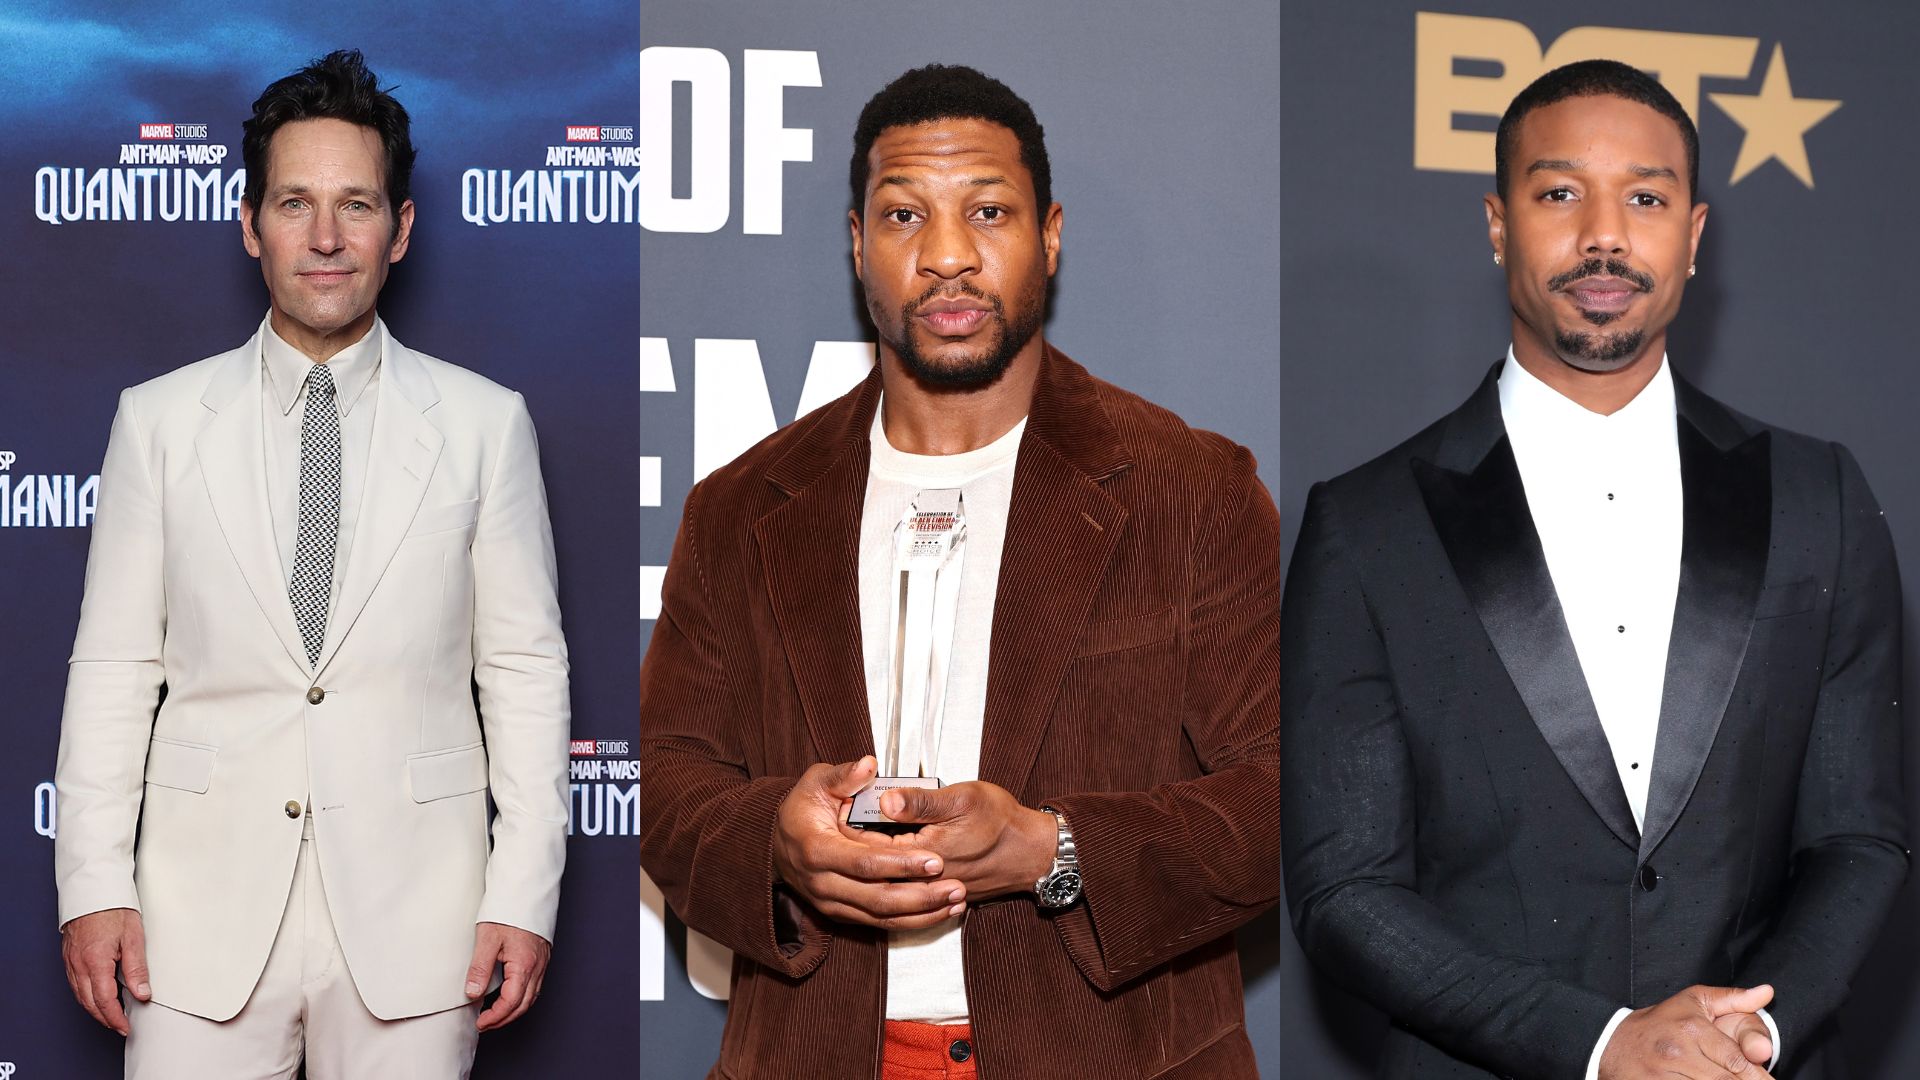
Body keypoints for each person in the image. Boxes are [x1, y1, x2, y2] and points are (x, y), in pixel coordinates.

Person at [640, 64, 1278, 1078]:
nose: (946, 256)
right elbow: (669, 787)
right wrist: (776, 842)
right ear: (858, 245)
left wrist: (1050, 849)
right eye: (903, 216)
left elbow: (1279, 805)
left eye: (987, 211)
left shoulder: (1189, 488)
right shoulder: (740, 508)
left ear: (1050, 234)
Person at [1282, 59, 1906, 1080]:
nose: (1604, 234)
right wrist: (1602, 1044)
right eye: (1560, 193)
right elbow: (1344, 892)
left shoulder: (1820, 498)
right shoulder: (1366, 525)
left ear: (1695, 236)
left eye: (1647, 198)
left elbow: (1861, 839)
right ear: (1497, 224)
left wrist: (1751, 1033)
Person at [53, 49, 570, 1078]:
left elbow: (523, 671)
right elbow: (114, 669)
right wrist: (94, 884)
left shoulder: (484, 425)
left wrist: (523, 893)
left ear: (402, 228)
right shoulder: (156, 424)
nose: (326, 238)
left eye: (356, 205)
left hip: (419, 926)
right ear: (250, 225)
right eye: (294, 203)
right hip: (192, 929)